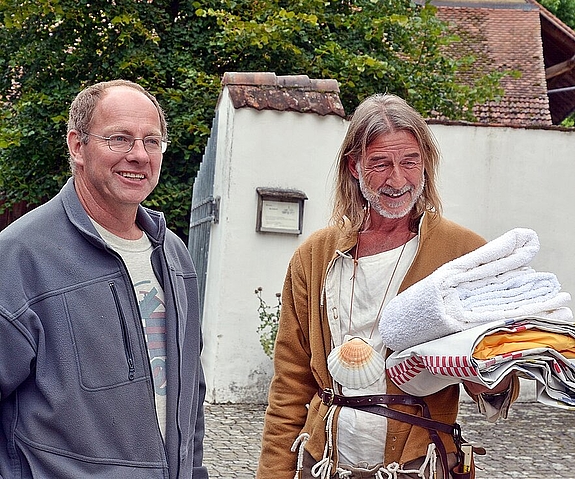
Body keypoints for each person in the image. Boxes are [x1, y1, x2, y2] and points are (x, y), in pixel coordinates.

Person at [257, 94, 519, 479]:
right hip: (323, 462)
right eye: (380, 164)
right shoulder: (314, 256)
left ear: (425, 163)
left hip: (419, 462)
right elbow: (290, 385)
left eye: (410, 162)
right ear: (354, 166)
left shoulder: (464, 254)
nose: (397, 180)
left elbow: (501, 380)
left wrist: (483, 376)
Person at [0, 80, 208, 478]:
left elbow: (189, 395)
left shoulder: (174, 255)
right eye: (119, 139)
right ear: (77, 146)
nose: (139, 155)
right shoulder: (20, 258)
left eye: (152, 141)